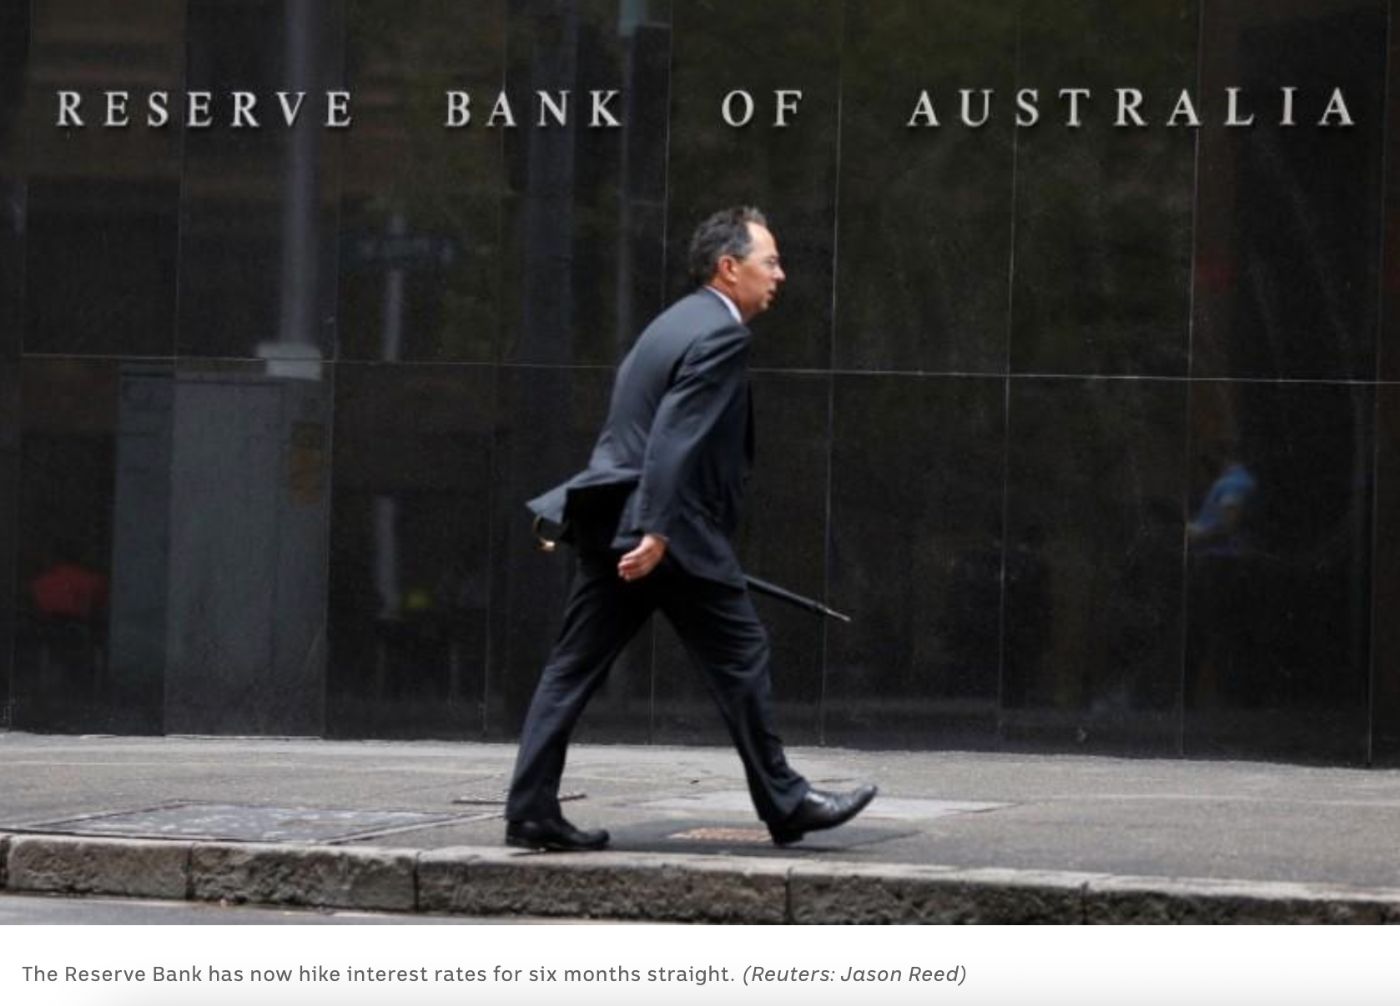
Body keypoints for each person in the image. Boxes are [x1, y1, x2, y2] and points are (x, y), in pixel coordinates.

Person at [505, 206, 877, 851]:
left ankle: (531, 809)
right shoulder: (721, 334)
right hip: (671, 533)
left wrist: (636, 525)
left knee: (571, 668)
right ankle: (786, 803)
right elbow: (674, 435)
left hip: (617, 520)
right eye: (770, 262)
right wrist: (655, 530)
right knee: (742, 654)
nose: (780, 275)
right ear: (729, 268)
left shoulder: (671, 324)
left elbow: (628, 431)